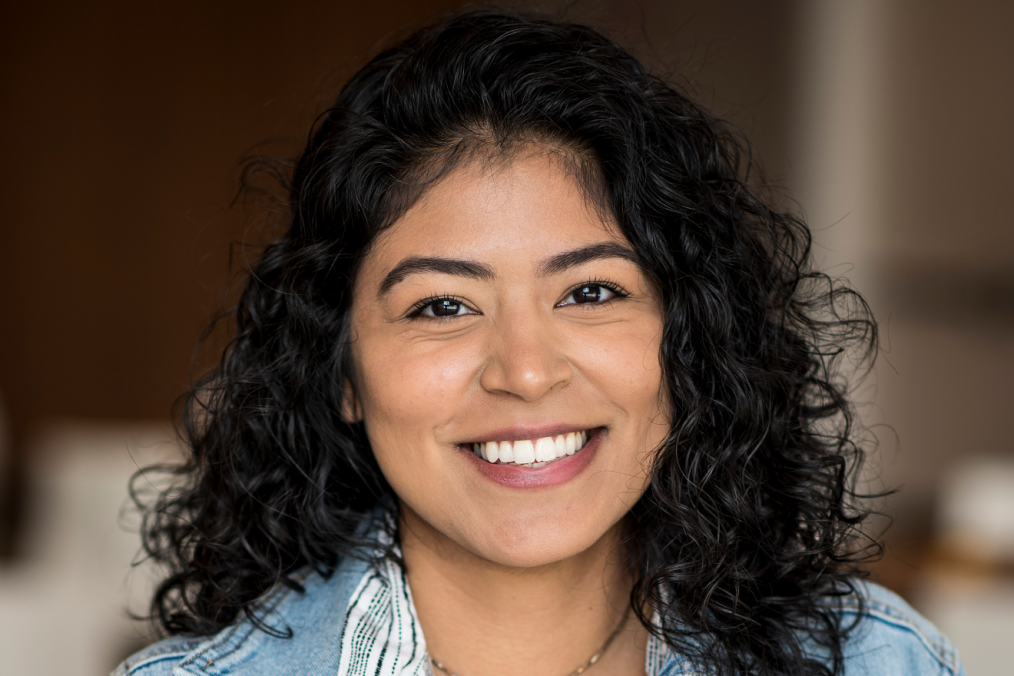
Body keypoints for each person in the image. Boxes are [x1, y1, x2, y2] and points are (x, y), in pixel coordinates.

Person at [115, 9, 963, 676]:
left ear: (688, 339)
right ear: (342, 370)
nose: (525, 370)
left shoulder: (881, 664)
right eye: (442, 306)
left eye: (591, 292)